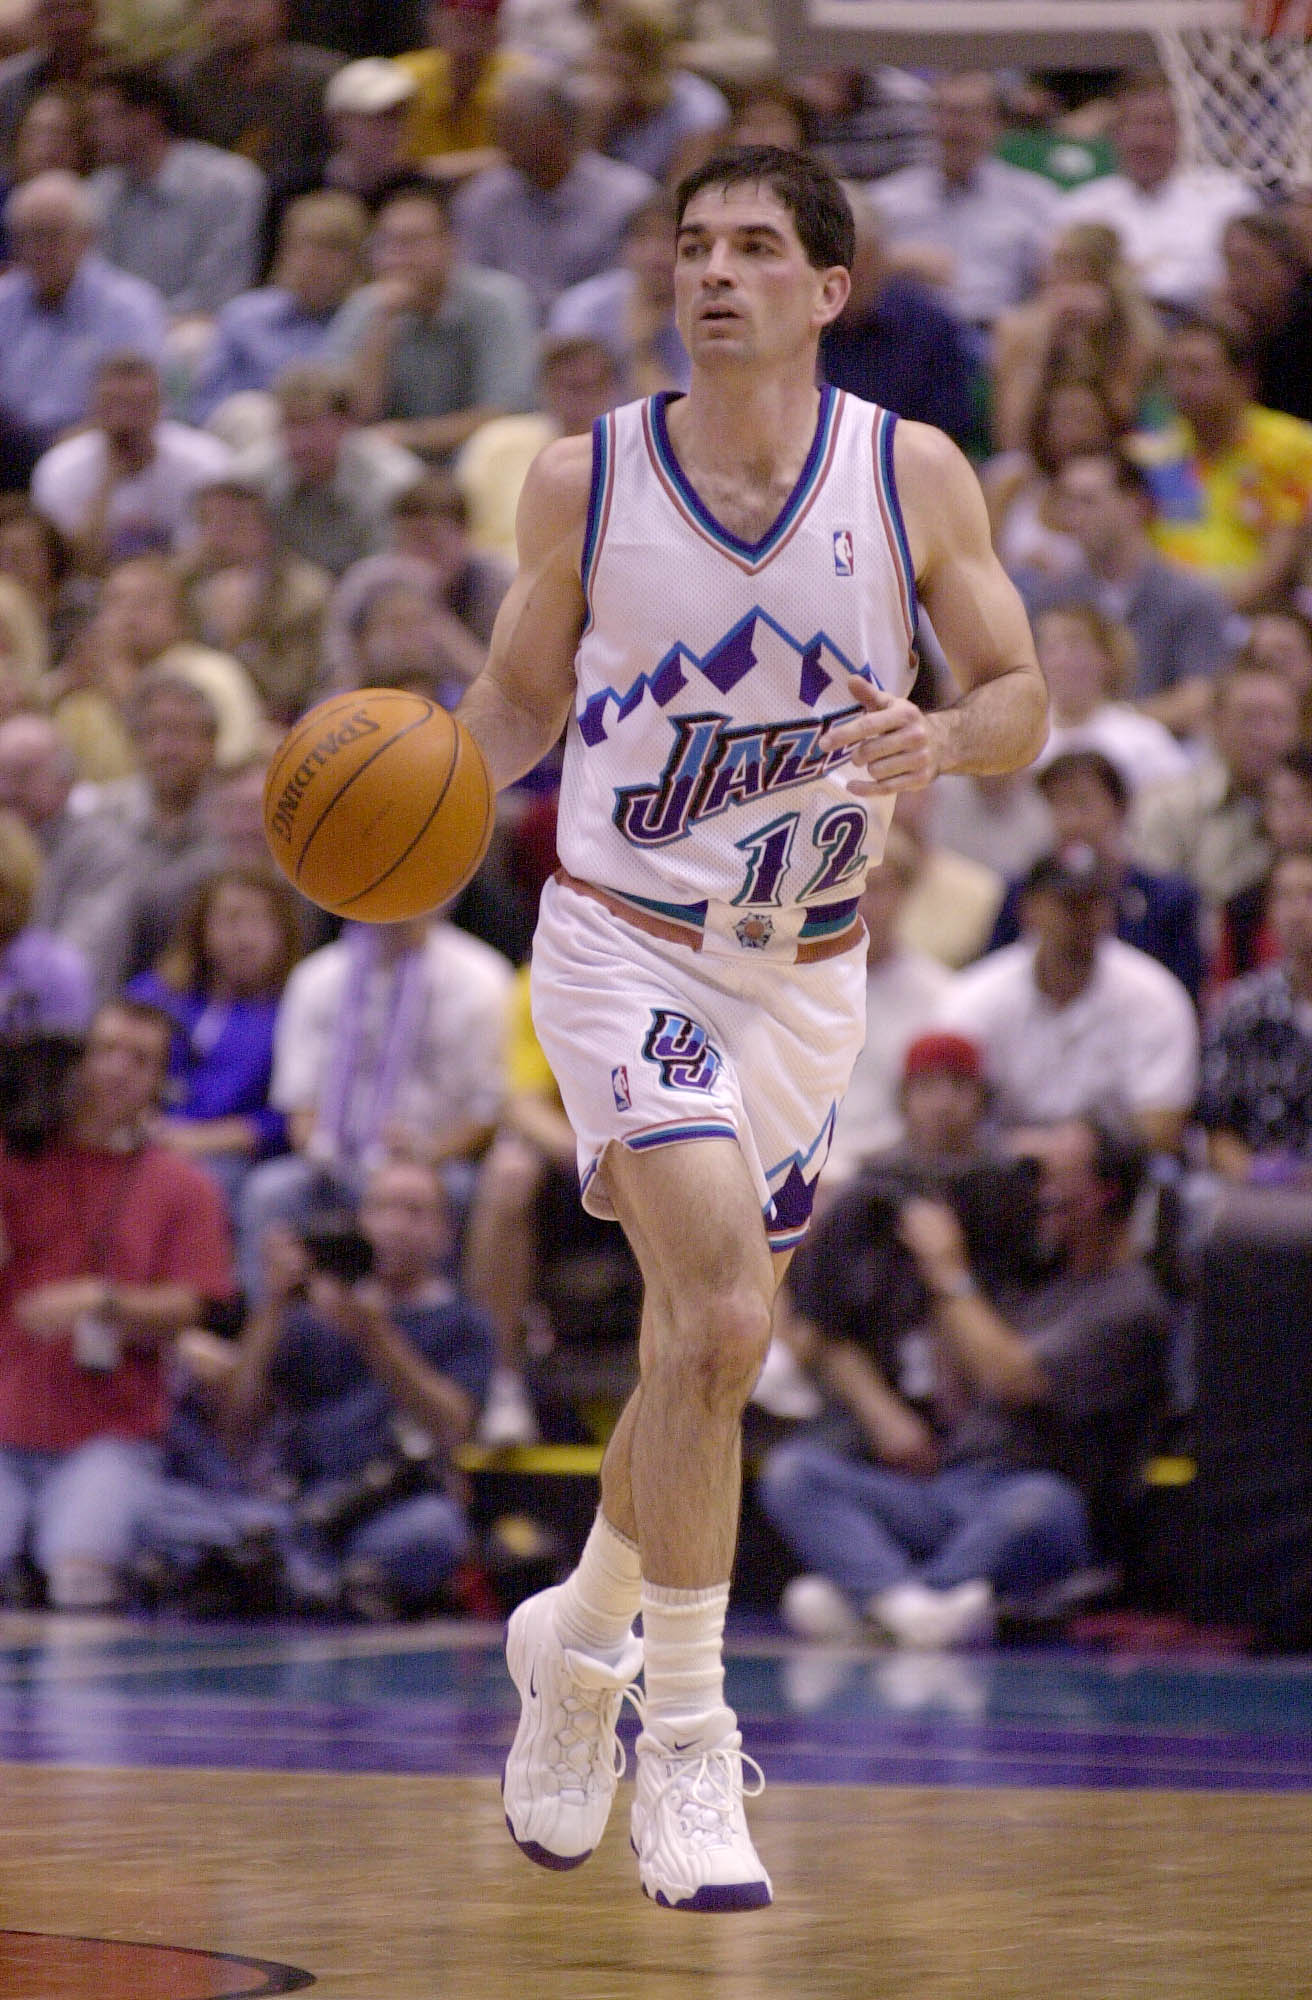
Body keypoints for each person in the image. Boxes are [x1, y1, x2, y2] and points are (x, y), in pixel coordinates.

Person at [455, 146, 1046, 1910]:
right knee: (715, 1306)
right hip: (625, 943)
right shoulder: (587, 476)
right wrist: (392, 803)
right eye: (692, 245)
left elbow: (1018, 695)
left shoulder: (908, 470)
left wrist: (941, 740)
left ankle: (575, 1646)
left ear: (825, 289)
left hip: (810, 973)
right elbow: (506, 701)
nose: (714, 272)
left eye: (755, 249)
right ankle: (685, 1745)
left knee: (703, 1356)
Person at [758, 1115, 1171, 1646]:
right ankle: (906, 1606)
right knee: (798, 1471)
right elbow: (958, 1392)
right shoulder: (1034, 1281)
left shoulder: (1132, 1302)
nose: (1039, 1194)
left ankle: (878, 1599)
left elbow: (1014, 1378)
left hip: (1042, 1499)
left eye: (1054, 1180)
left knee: (1039, 1508)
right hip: (951, 1489)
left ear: (1102, 1195)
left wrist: (948, 1269)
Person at [136, 1153, 495, 1619]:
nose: (394, 1225)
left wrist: (375, 1337)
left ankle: (289, 1576)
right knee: (154, 1510)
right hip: (291, 1506)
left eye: (414, 1211)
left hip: (387, 1509)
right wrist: (273, 1306)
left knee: (435, 1529)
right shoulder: (303, 1318)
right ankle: (321, 1580)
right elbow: (235, 1425)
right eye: (381, 1208)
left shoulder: (464, 1322)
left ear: (446, 1232)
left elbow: (452, 1426)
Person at [0, 997, 234, 1609]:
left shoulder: (182, 1184)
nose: (117, 1070)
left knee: (78, 1572)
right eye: (105, 1051)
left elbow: (191, 1304)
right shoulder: (17, 1157)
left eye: (140, 1059)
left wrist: (102, 1300)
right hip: (8, 1423)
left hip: (111, 1433)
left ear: (161, 1082)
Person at [933, 843, 1199, 1155]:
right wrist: (1025, 1148)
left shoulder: (1154, 997)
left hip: (1112, 1175)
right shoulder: (976, 996)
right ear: (1029, 910)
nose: (1083, 919)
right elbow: (940, 1117)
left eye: (1096, 904)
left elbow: (1162, 1130)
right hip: (999, 1171)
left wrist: (1086, 1148)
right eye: (1068, 904)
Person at [125, 862, 304, 1216]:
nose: (244, 937)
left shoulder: (294, 1007)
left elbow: (290, 1117)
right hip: (140, 1135)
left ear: (283, 931)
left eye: (259, 921)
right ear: (201, 928)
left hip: (231, 1157)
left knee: (195, 1180)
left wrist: (199, 1140)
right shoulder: (155, 995)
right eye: (230, 920)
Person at [1017, 447, 1233, 739]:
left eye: (1088, 502)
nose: (1074, 516)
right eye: (1068, 503)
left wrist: (1110, 726)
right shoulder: (1054, 597)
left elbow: (1200, 697)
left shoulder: (1192, 595)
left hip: (1166, 755)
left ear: (1134, 506)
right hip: (1066, 752)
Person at [324, 175, 536, 467]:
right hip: (390, 464)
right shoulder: (368, 307)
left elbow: (506, 410)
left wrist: (412, 437)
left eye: (412, 243)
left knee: (501, 446)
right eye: (387, 245)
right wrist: (383, 323)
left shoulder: (497, 300)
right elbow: (353, 414)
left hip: (475, 458)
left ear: (451, 245)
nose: (397, 258)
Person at [989, 748, 1206, 1004]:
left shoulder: (1167, 898)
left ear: (1120, 809)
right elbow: (996, 973)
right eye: (1057, 804)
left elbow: (1186, 989)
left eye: (1083, 804)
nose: (1069, 821)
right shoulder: (1024, 891)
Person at [1129, 311, 1312, 613]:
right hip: (1163, 614)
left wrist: (1203, 614)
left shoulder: (1289, 447)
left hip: (1252, 614)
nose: (1182, 385)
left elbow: (1280, 562)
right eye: (1173, 372)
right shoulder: (1152, 454)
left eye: (1197, 371)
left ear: (1242, 379)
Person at [866, 71, 1059, 342]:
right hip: (908, 338)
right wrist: (891, 261)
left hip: (999, 337)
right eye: (946, 113)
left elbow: (1055, 281)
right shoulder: (886, 200)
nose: (956, 128)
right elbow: (853, 277)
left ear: (996, 125)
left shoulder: (1034, 200)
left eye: (970, 115)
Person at [451, 69, 655, 324]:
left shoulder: (626, 199)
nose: (501, 139)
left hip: (595, 344)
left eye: (515, 127)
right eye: (498, 127)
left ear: (556, 128)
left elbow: (624, 296)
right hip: (506, 339)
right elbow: (472, 290)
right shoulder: (482, 198)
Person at [0, 171, 169, 474]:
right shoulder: (4, 300)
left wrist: (65, 448)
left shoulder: (130, 307)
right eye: (25, 237)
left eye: (50, 236)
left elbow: (140, 406)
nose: (36, 250)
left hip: (94, 452)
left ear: (86, 237)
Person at [1054, 68, 1255, 316]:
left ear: (1182, 132)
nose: (1147, 138)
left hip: (1200, 325)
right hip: (1112, 332)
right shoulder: (1082, 206)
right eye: (1136, 124)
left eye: (1159, 124)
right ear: (1116, 134)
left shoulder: (1226, 196)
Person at [86, 61, 268, 318]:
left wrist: (142, 324)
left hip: (200, 331)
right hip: (119, 333)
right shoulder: (100, 190)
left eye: (106, 118)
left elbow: (219, 294)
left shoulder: (229, 184)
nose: (96, 133)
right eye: (93, 121)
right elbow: (95, 285)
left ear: (148, 116)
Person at [822, 826, 951, 1185]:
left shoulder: (940, 994)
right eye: (851, 890)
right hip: (802, 1170)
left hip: (894, 1175)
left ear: (905, 894)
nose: (863, 904)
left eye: (877, 889)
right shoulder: (798, 987)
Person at [30, 352, 233, 573]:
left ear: (160, 407)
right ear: (93, 409)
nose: (125, 419)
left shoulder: (205, 461)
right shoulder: (60, 469)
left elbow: (214, 549)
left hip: (184, 584)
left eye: (137, 405)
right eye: (114, 405)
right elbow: (67, 563)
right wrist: (107, 483)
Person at [1131, 652, 1302, 910]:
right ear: (1217, 723)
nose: (1266, 735)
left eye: (1279, 720)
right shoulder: (1169, 807)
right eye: (1251, 719)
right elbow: (1153, 909)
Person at [189, 190, 370, 426]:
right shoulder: (244, 316)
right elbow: (207, 407)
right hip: (250, 442)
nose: (313, 262)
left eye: (330, 250)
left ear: (356, 261)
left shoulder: (368, 320)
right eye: (303, 246)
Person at [819, 191, 977, 451]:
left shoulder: (930, 326)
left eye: (860, 262)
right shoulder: (795, 324)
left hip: (903, 468)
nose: (849, 278)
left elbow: (947, 433)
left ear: (882, 259)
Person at [989, 221, 1164, 453]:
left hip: (1117, 453)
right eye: (1054, 263)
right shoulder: (1018, 328)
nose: (1055, 274)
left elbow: (1124, 414)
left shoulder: (1133, 330)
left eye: (1071, 264)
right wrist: (1044, 339)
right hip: (1034, 453)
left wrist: (1096, 337)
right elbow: (1010, 436)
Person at [0, 713, 140, 999]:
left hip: (61, 1019)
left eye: (22, 775)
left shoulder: (103, 851)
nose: (6, 789)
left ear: (66, 780)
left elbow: (81, 961)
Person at [1196, 845, 1312, 1185]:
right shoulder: (1241, 1008)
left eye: (1309, 896)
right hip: (1260, 1198)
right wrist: (1256, 1175)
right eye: (1284, 898)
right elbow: (1215, 1129)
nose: (1298, 912)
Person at [252, 362, 425, 579]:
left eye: (310, 425)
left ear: (346, 424)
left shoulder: (394, 484)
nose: (298, 442)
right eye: (289, 425)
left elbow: (393, 579)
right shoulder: (254, 478)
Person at [1029, 600, 1192, 795]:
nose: (1062, 660)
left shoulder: (1143, 738)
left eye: (1075, 646)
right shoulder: (1024, 740)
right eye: (1051, 648)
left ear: (1108, 659)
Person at [547, 196, 688, 398]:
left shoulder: (706, 313)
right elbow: (569, 401)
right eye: (642, 238)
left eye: (667, 239)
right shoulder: (583, 306)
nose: (654, 253)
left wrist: (641, 349)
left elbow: (680, 419)